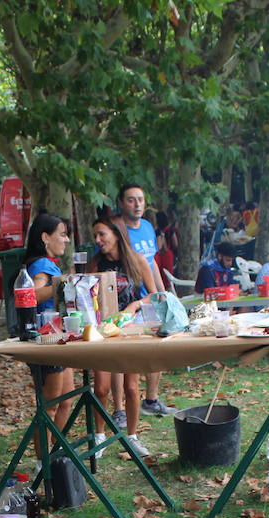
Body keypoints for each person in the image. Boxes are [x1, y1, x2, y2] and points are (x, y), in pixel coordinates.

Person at [92, 215, 159, 459]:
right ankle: (99, 437)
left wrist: (134, 305)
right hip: (102, 331)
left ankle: (132, 437)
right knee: (101, 388)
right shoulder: (95, 264)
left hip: (130, 329)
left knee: (132, 387)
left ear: (117, 235)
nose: (98, 240)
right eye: (96, 236)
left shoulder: (138, 260)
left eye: (102, 235)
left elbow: (154, 295)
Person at [117, 184, 177, 417]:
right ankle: (120, 409)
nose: (137, 204)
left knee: (159, 347)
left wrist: (164, 293)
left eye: (140, 199)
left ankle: (151, 399)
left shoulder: (148, 227)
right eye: (131, 200)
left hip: (151, 295)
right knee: (126, 356)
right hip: (130, 298)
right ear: (122, 203)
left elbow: (152, 263)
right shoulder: (119, 229)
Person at [19, 214, 74, 430]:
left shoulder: (47, 263)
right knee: (50, 406)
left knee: (66, 400)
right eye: (62, 234)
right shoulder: (41, 264)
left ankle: (57, 452)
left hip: (58, 338)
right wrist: (63, 285)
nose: (67, 239)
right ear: (45, 237)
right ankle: (44, 461)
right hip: (46, 339)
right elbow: (32, 293)